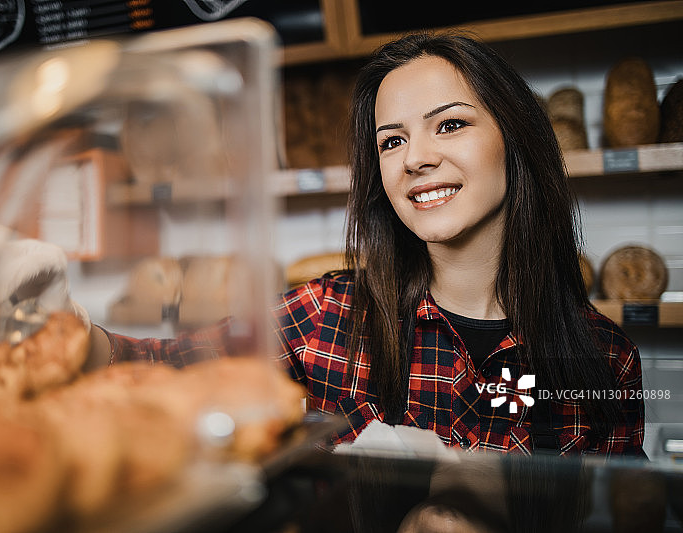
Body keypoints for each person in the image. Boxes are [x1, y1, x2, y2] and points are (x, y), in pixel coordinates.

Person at [88, 30, 645, 457]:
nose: (415, 158)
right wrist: (51, 326)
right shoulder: (326, 316)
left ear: (516, 138)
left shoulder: (604, 359)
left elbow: (619, 514)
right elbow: (152, 365)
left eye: (449, 125)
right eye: (392, 141)